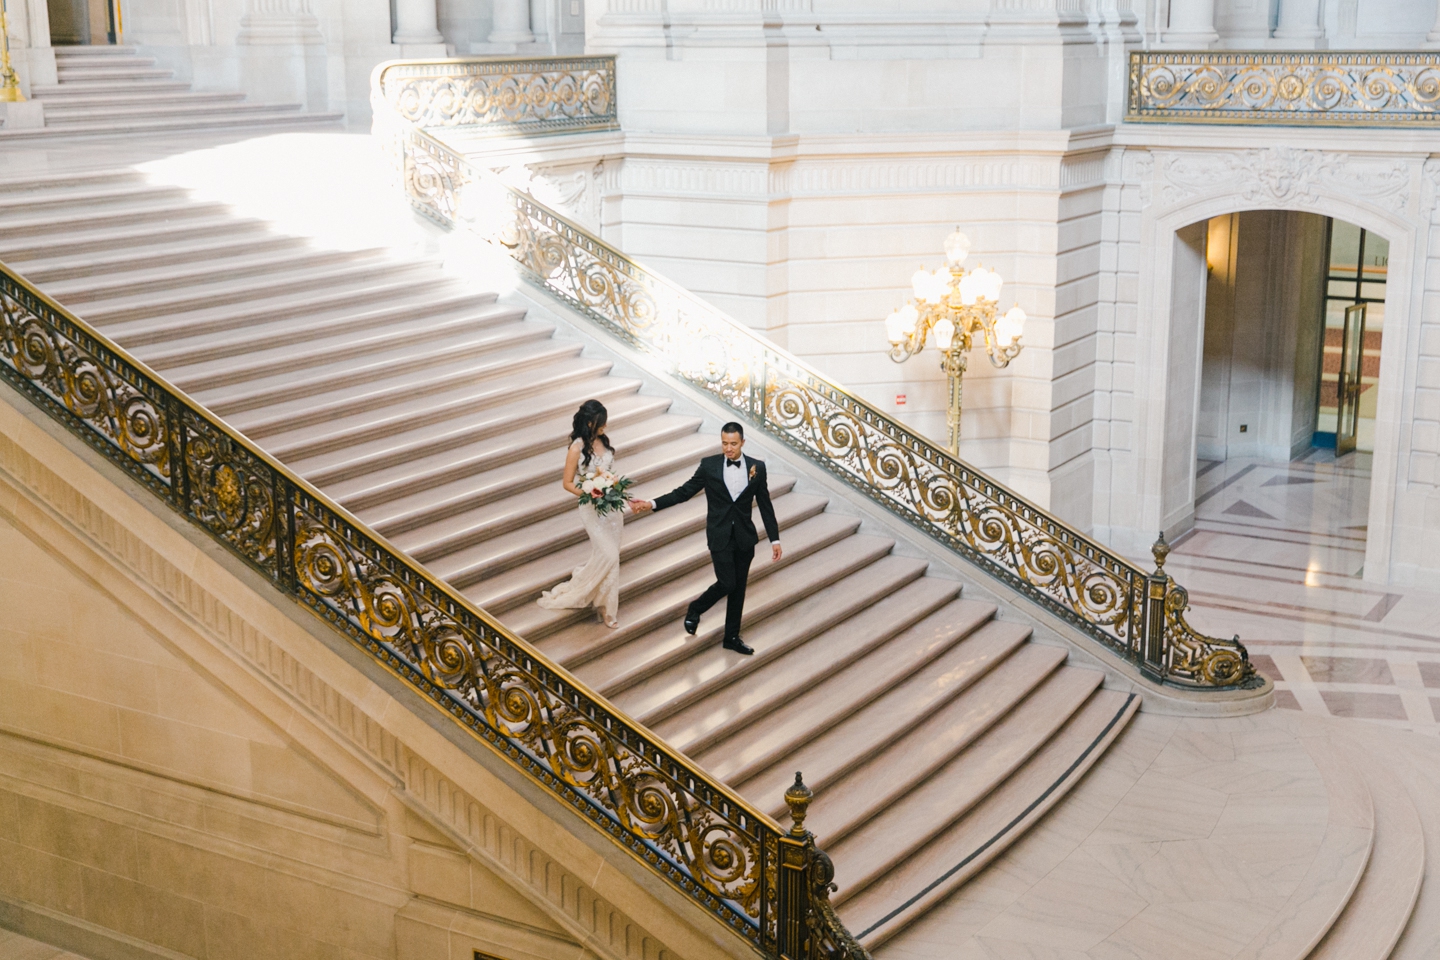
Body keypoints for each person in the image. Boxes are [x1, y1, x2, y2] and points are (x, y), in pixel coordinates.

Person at [632, 422, 781, 655]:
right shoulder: (709, 466)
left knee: (738, 588)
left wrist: (775, 539)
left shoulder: (757, 468)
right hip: (719, 535)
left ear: (743, 442)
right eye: (724, 443)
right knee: (727, 583)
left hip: (744, 538)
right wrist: (651, 504)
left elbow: (765, 505)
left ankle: (731, 636)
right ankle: (696, 608)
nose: (728, 448)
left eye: (733, 444)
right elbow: (683, 492)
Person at [537, 400, 629, 627]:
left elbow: (608, 472)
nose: (604, 428)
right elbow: (567, 483)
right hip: (591, 508)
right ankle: (603, 605)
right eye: (600, 424)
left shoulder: (603, 442)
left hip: (612, 509)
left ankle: (604, 603)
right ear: (589, 422)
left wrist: (612, 486)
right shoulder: (576, 448)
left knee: (609, 556)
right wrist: (590, 492)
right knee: (608, 555)